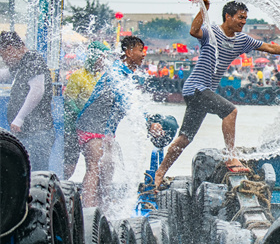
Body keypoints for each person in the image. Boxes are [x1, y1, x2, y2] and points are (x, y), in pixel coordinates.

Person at [153, 0, 280, 187]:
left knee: (185, 138)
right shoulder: (212, 32)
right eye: (240, 18)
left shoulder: (242, 40)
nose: (243, 22)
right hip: (196, 88)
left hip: (202, 92)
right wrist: (203, 9)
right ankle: (231, 157)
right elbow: (194, 31)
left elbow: (271, 48)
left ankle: (159, 173)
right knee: (230, 111)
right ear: (228, 16)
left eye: (245, 19)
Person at [76, 36, 163, 207]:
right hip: (91, 125)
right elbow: (126, 101)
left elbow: (134, 102)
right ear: (129, 52)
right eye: (140, 50)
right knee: (94, 166)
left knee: (108, 166)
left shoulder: (127, 74)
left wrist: (149, 119)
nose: (143, 55)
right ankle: (87, 210)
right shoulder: (115, 73)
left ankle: (103, 207)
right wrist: (148, 124)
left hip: (106, 129)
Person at [0, 31, 55, 171]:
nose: (4, 59)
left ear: (10, 49)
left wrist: (19, 118)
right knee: (24, 174)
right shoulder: (22, 63)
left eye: (3, 55)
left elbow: (37, 89)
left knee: (34, 176)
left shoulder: (32, 60)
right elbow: (5, 74)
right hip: (27, 132)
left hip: (37, 133)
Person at [64, 41, 111, 178]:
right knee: (69, 167)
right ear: (94, 57)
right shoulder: (78, 76)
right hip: (73, 129)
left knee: (95, 165)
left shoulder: (101, 78)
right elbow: (69, 101)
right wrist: (83, 114)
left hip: (93, 128)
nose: (104, 62)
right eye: (102, 58)